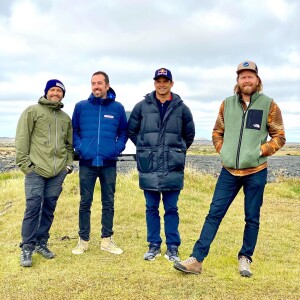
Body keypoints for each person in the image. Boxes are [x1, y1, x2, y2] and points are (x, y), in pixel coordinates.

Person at [174, 61, 286, 277]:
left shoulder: (268, 105)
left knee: (251, 217)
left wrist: (260, 151)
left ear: (257, 79)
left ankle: (245, 258)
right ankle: (196, 259)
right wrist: (223, 151)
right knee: (214, 213)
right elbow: (217, 132)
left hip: (256, 171)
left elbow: (279, 136)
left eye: (250, 76)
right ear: (237, 80)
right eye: (242, 76)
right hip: (229, 172)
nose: (247, 80)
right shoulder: (227, 104)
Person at [128, 68, 195, 262]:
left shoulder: (182, 108)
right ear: (154, 83)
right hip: (149, 165)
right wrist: (144, 148)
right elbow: (132, 131)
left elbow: (188, 135)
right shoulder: (141, 107)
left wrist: (177, 151)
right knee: (151, 207)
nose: (162, 84)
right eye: (159, 81)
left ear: (171, 83)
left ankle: (173, 247)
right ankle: (154, 245)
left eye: (166, 81)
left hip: (172, 167)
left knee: (171, 208)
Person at [15, 79, 73, 267]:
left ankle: (42, 243)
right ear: (46, 92)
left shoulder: (65, 118)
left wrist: (68, 166)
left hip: (57, 172)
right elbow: (22, 140)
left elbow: (69, 145)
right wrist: (27, 168)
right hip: (36, 171)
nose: (56, 93)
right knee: (33, 208)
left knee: (49, 208)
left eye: (59, 91)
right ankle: (27, 247)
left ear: (63, 94)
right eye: (53, 90)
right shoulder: (32, 111)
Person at [71, 71, 127, 255]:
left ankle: (106, 240)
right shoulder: (81, 107)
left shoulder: (117, 108)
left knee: (108, 202)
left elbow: (123, 132)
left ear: (107, 85)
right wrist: (81, 148)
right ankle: (83, 241)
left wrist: (115, 149)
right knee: (85, 202)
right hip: (87, 163)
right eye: (93, 83)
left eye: (100, 83)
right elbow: (74, 131)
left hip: (108, 163)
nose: (96, 86)